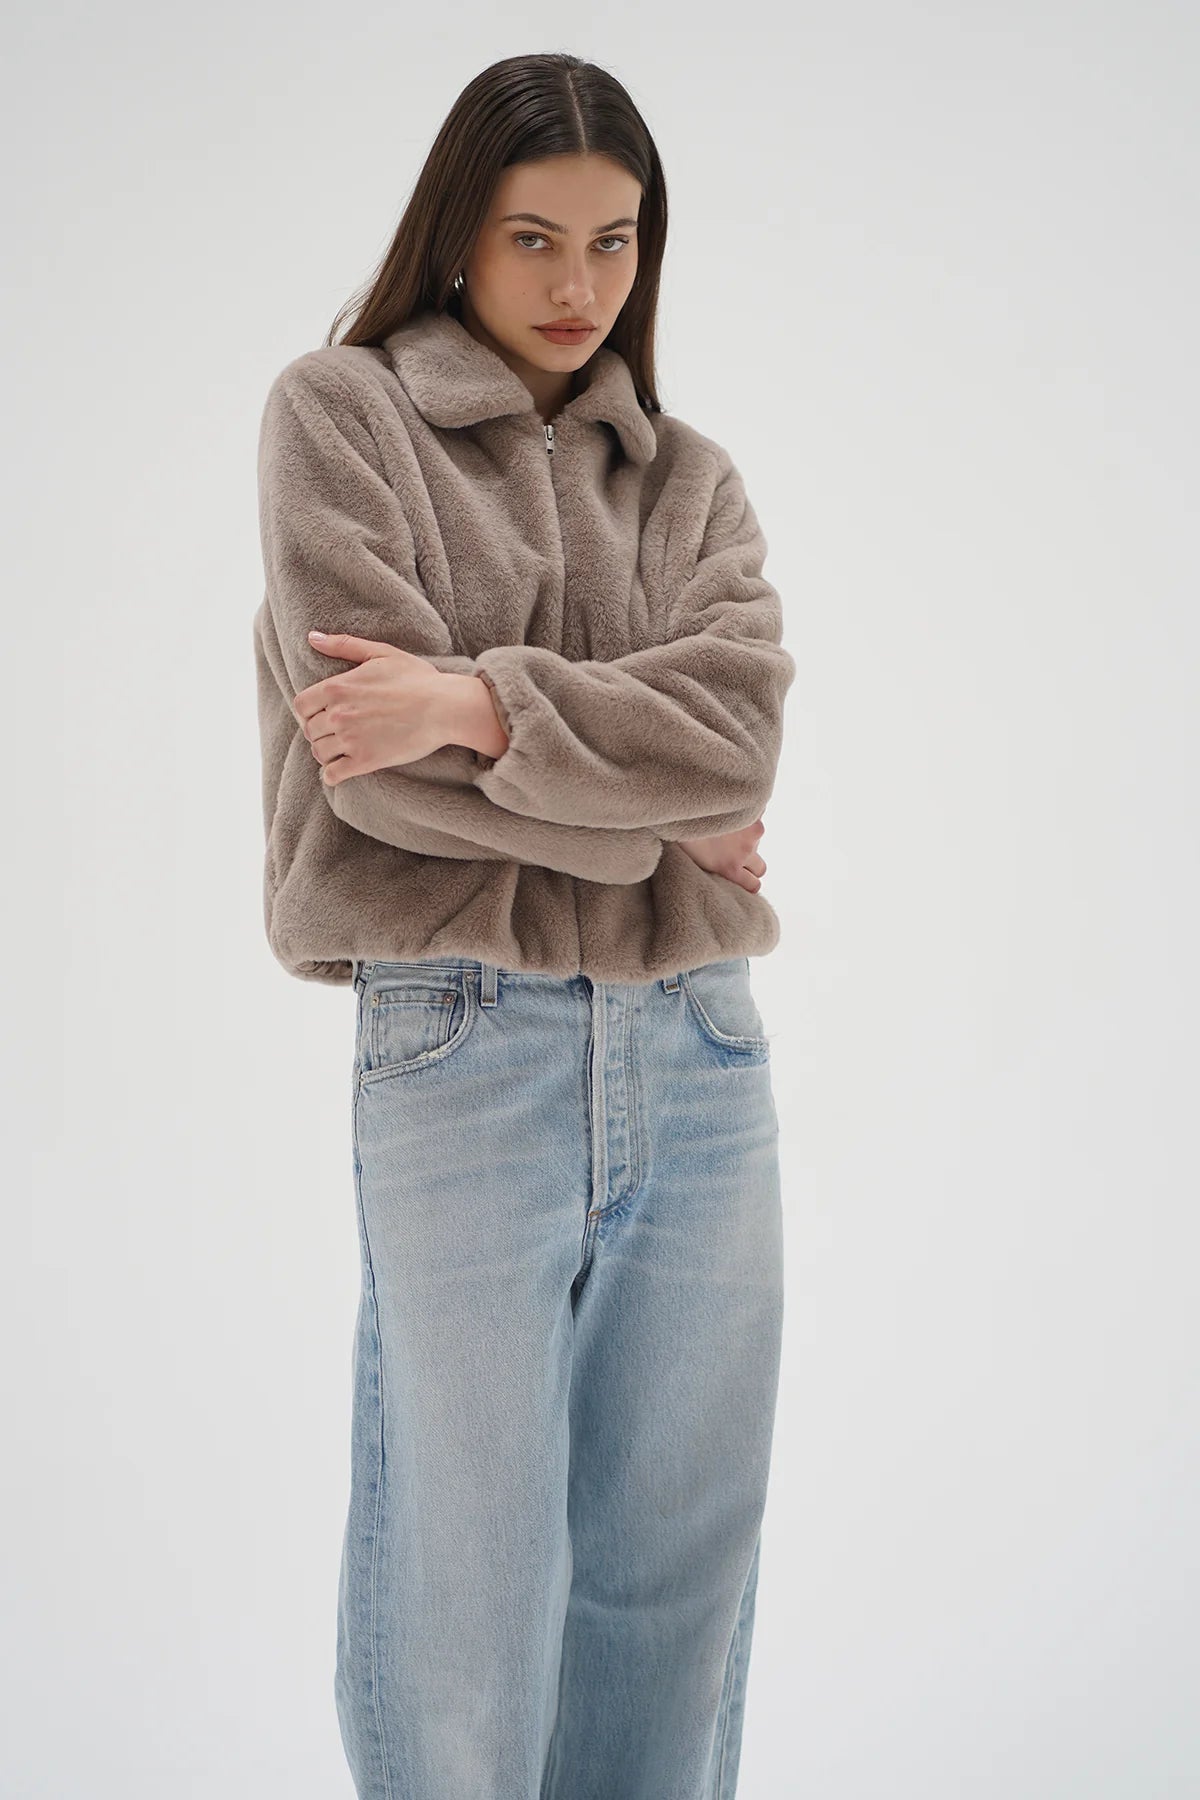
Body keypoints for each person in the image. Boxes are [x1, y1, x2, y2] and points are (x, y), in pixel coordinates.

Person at [253, 50, 796, 1800]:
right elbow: (369, 778)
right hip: (461, 1038)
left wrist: (474, 705)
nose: (579, 286)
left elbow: (742, 735)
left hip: (699, 1048)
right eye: (533, 238)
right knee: (466, 1590)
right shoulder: (341, 419)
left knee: (674, 1588)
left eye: (614, 241)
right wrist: (661, 815)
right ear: (457, 236)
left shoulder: (689, 479)